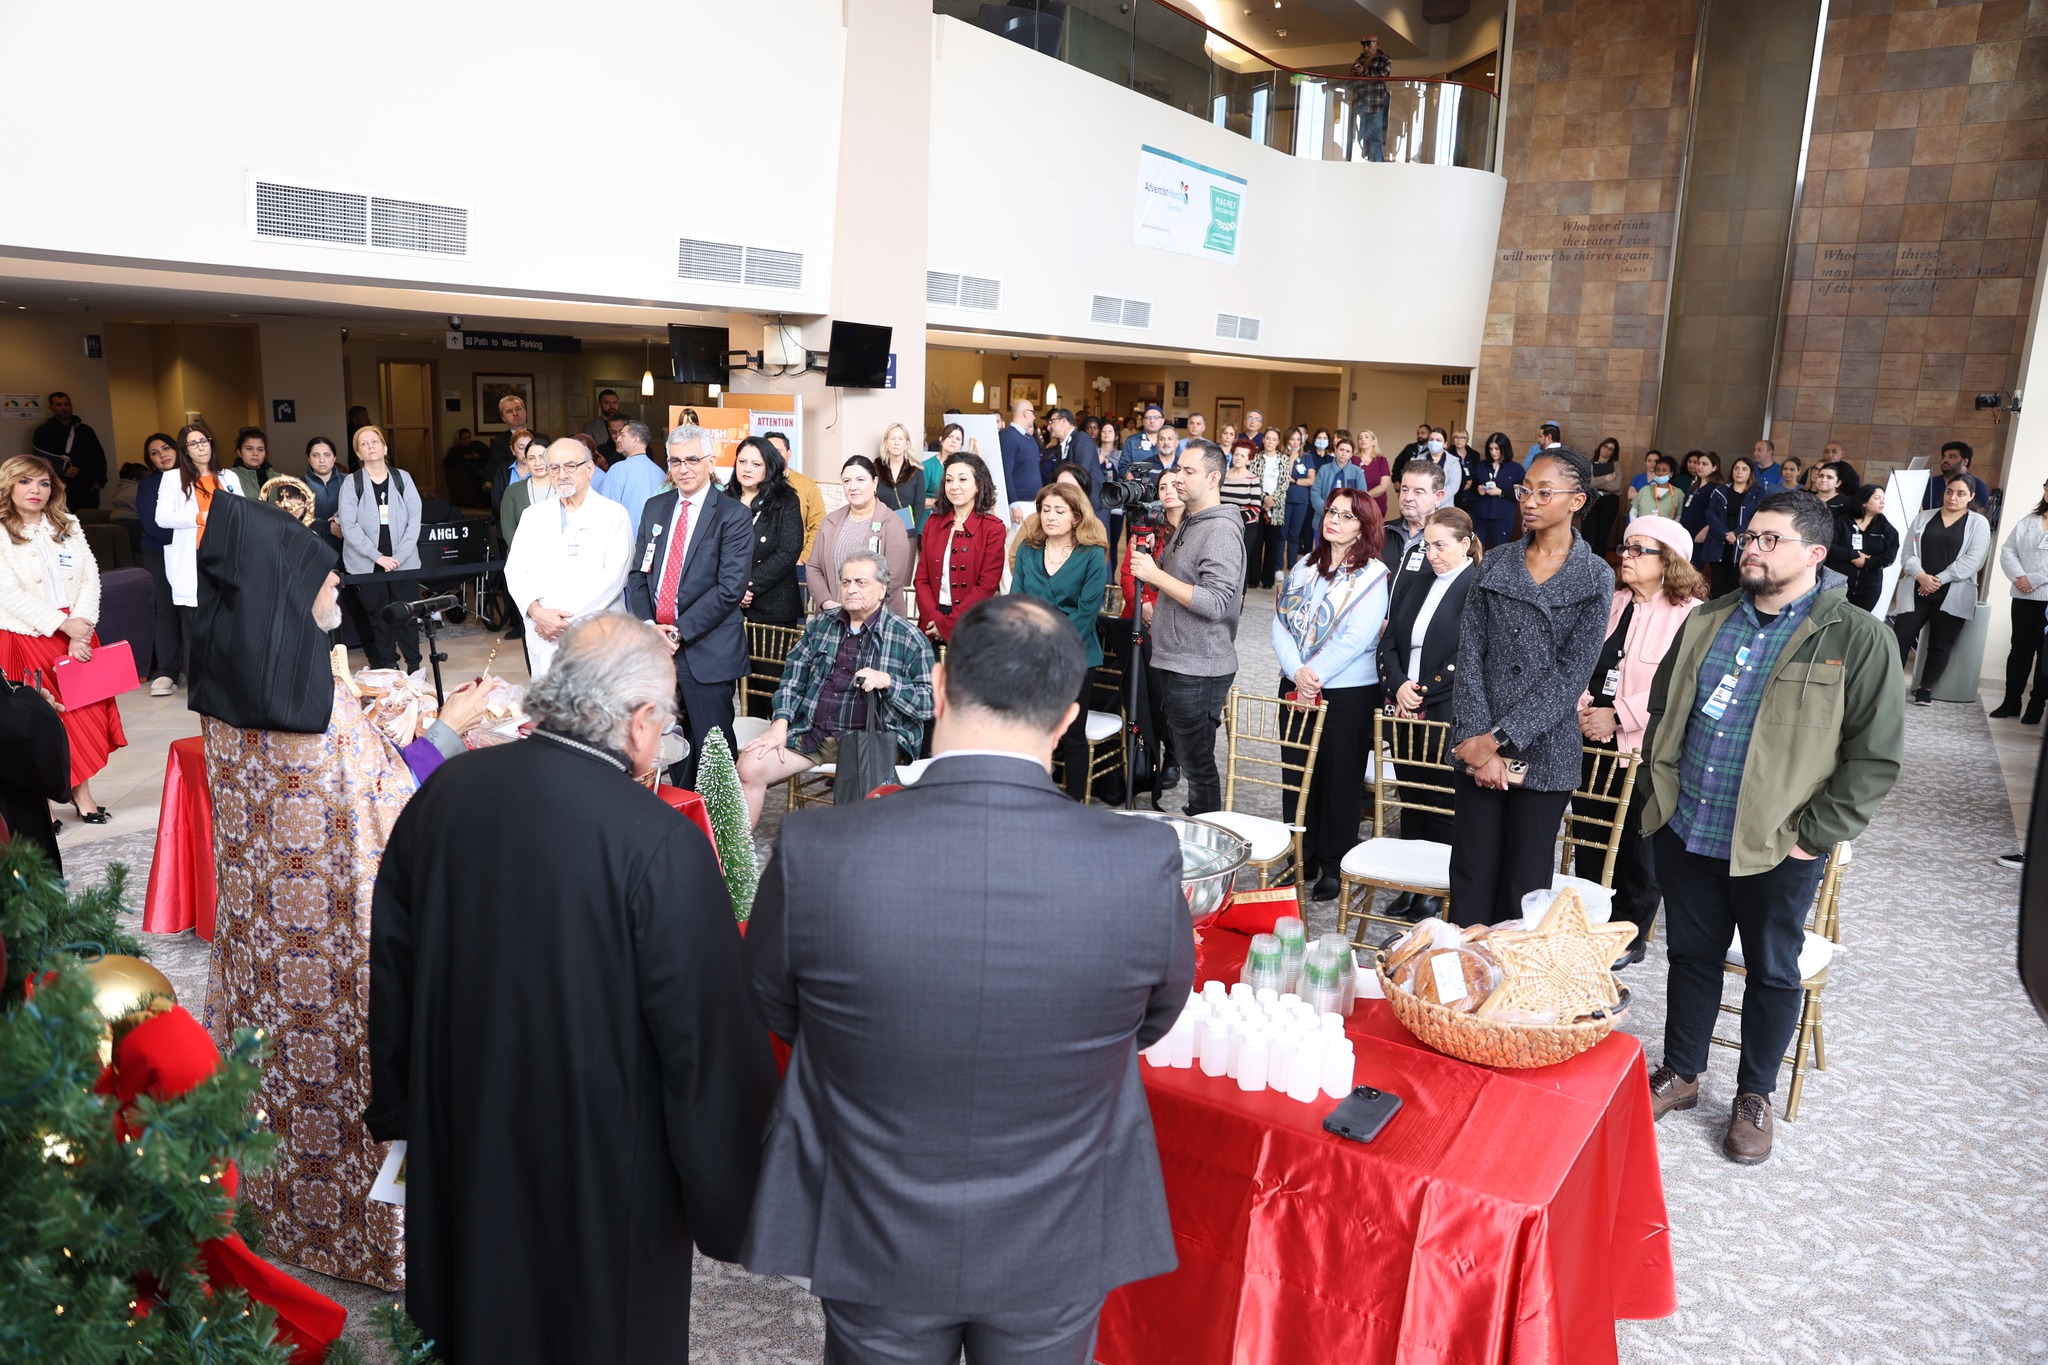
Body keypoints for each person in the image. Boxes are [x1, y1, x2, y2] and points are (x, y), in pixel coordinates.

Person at [741, 594, 1192, 1365]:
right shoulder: (1138, 859)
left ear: (940, 684)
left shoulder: (820, 845)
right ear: (1067, 719)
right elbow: (1152, 1017)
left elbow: (779, 1006)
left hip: (874, 1213)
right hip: (1054, 1223)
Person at [369, 612, 773, 1361]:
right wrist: (728, 1200)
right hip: (603, 1168)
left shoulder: (447, 792)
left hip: (461, 1123)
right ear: (643, 721)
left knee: (471, 1316)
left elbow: (391, 957)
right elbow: (706, 1040)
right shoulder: (657, 839)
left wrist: (402, 1103)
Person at [193, 492, 500, 1290]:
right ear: (290, 586)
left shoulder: (228, 685)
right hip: (340, 948)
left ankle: (273, 1213)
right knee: (350, 1080)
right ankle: (368, 1240)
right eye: (327, 581)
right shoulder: (321, 708)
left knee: (278, 1088)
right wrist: (450, 727)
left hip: (263, 945)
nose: (339, 592)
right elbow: (391, 808)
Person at [1642, 490, 1904, 1163]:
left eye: (1768, 539)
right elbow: (1666, 706)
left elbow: (1873, 758)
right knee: (1691, 956)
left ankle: (1753, 1096)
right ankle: (1682, 1071)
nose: (1749, 548)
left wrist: (1814, 837)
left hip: (1778, 846)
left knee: (1772, 971)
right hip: (1691, 826)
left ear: (1815, 553)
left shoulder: (1859, 638)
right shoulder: (1709, 617)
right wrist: (1660, 797)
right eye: (1748, 537)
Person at [1448, 447, 1614, 926]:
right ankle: (1464, 983)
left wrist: (1498, 739)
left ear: (1577, 501)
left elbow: (1571, 675)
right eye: (1526, 491)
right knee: (1472, 873)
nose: (1530, 501)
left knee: (1525, 886)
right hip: (1475, 742)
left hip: (1546, 750)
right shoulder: (1497, 562)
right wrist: (1478, 744)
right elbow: (1470, 654)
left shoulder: (1595, 575)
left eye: (1545, 492)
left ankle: (1512, 992)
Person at [1570, 516, 1704, 966]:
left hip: (1645, 749)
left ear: (1668, 561)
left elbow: (1683, 684)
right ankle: (1589, 920)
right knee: (1589, 831)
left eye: (1637, 549)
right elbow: (1583, 660)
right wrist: (1586, 708)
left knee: (1636, 845)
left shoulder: (1690, 615)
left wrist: (1619, 716)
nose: (1624, 556)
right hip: (1592, 740)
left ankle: (1629, 931)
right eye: (1625, 547)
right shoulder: (1612, 602)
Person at [736, 550, 934, 826]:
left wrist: (888, 682)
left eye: (860, 582)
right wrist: (780, 724)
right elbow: (793, 677)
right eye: (845, 582)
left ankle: (854, 861)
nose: (851, 589)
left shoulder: (909, 638)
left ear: (883, 589)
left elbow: (929, 704)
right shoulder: (822, 625)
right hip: (813, 733)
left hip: (870, 741)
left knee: (858, 812)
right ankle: (734, 864)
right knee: (749, 765)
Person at [1272, 487, 1391, 900]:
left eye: (1345, 515)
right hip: (1296, 685)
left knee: (1340, 779)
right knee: (1297, 773)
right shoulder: (1306, 564)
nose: (1332, 520)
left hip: (1348, 692)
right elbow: (1280, 624)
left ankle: (1333, 863)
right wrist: (1297, 672)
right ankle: (1299, 854)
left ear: (1363, 527)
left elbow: (1358, 637)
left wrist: (1312, 675)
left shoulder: (1373, 574)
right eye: (1330, 512)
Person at [0, 454, 127, 823]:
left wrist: (82, 625)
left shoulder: (67, 522)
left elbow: (90, 575)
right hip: (26, 636)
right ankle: (41, 804)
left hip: (78, 635)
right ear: (9, 485)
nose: (35, 490)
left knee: (81, 719)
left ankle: (82, 796)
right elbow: (6, 592)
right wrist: (62, 625)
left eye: (43, 483)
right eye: (25, 482)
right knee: (37, 723)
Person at [623, 423, 751, 789]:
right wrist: (650, 626)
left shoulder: (732, 515)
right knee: (669, 747)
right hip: (657, 651)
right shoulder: (656, 507)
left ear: (711, 462)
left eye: (693, 459)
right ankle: (680, 822)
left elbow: (729, 589)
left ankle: (716, 835)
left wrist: (676, 633)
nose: (684, 468)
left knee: (713, 753)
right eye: (676, 461)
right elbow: (638, 575)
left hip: (707, 651)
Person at [1129, 440, 1245, 817]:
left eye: (1188, 471)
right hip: (1179, 658)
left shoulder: (1221, 531)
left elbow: (1216, 602)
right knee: (1188, 755)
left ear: (1213, 478)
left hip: (1200, 664)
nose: (1177, 477)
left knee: (1198, 766)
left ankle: (1210, 841)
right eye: (1178, 469)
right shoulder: (1190, 523)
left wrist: (1156, 576)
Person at [1377, 507, 1480, 897]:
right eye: (1427, 545)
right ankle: (1411, 885)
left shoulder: (1476, 587)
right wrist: (1400, 685)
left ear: (1465, 545)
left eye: (1441, 545)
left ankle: (1435, 892)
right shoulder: (1415, 583)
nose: (1432, 553)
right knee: (1411, 798)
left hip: (1443, 709)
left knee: (1441, 803)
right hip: (1405, 706)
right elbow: (1388, 643)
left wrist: (1420, 690)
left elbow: (1469, 654)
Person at [1010, 481, 1111, 799]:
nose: (1049, 516)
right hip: (1031, 654)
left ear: (1077, 517)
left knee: (1071, 736)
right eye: (1044, 510)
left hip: (1076, 656)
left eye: (1059, 511)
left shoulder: (1093, 555)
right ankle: (1029, 801)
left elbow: (1086, 614)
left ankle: (1074, 809)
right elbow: (1017, 602)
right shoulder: (1028, 549)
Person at [505, 437, 635, 680]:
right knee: (551, 710)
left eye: (570, 466)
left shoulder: (613, 514)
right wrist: (537, 613)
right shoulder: (533, 515)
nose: (562, 474)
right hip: (542, 631)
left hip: (593, 635)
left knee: (595, 711)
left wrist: (560, 621)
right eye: (554, 467)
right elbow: (514, 570)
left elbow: (613, 579)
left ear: (589, 469)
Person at [1891, 472, 1991, 706]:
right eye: (1949, 491)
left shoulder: (1978, 523)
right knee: (1900, 636)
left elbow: (1974, 560)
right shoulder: (1924, 517)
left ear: (1971, 496)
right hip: (1918, 588)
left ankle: (1925, 688)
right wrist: (1921, 576)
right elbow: (1907, 553)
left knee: (1941, 643)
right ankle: (1892, 684)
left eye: (1960, 493)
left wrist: (1938, 580)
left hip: (1952, 592)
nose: (1953, 497)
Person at [336, 425, 424, 672]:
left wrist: (398, 556)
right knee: (379, 617)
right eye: (363, 444)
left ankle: (415, 667)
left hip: (402, 561)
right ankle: (388, 668)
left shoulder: (402, 478)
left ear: (384, 447)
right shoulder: (351, 483)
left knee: (407, 614)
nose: (370, 446)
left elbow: (414, 518)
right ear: (358, 453)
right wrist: (378, 557)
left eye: (375, 441)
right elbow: (349, 526)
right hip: (367, 563)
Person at [153, 421, 249, 639]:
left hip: (227, 556)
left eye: (204, 441)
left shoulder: (228, 476)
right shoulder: (172, 478)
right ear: (185, 450)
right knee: (197, 625)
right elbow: (162, 518)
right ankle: (198, 673)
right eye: (193, 444)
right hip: (195, 557)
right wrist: (200, 517)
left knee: (228, 620)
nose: (201, 447)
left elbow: (243, 512)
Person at [914, 451, 1006, 644]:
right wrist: (936, 621)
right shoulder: (932, 523)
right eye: (949, 480)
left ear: (978, 485)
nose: (954, 486)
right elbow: (921, 578)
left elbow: (987, 586)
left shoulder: (993, 528)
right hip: (930, 625)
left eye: (962, 479)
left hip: (970, 625)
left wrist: (947, 625)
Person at [807, 456, 914, 614]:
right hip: (832, 617)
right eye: (847, 481)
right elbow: (814, 567)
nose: (853, 487)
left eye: (860, 480)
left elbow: (892, 577)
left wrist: (856, 612)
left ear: (875, 483)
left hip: (876, 621)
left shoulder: (893, 523)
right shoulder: (830, 521)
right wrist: (826, 602)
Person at [729, 435, 805, 625]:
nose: (747, 469)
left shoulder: (786, 501)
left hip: (773, 608)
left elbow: (788, 552)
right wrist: (732, 588)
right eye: (742, 461)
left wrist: (747, 587)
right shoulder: (723, 499)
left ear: (768, 467)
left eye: (756, 464)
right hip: (727, 604)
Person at [136, 433, 186, 696]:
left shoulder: (193, 477)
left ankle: (196, 669)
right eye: (154, 452)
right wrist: (188, 535)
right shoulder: (148, 484)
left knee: (192, 610)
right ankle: (167, 671)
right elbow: (154, 524)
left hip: (192, 551)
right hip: (159, 549)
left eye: (166, 448)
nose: (162, 455)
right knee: (166, 609)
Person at [1994, 479, 2048, 721]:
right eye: (2047, 486)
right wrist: (2019, 578)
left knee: (2044, 655)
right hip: (2023, 597)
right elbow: (2007, 550)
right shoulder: (2029, 521)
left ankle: (2036, 705)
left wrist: (2033, 579)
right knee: (2019, 651)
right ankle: (2011, 702)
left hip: (2045, 599)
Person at [1828, 481, 1897, 614]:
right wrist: (1852, 555)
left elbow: (1889, 557)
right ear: (1863, 502)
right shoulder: (1842, 523)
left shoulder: (1887, 529)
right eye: (1877, 498)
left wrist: (1866, 562)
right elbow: (1829, 548)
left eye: (1884, 499)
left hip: (1869, 587)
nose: (1882, 502)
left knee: (1858, 624)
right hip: (1838, 584)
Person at [31, 391, 108, 511]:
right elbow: (39, 460)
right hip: (58, 488)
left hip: (87, 488)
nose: (63, 408)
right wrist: (62, 470)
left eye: (66, 404)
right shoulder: (43, 431)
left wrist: (99, 481)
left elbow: (98, 456)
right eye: (59, 405)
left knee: (89, 524)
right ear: (51, 408)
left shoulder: (85, 431)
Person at [761, 430, 826, 562]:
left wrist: (803, 558)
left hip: (795, 563)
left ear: (789, 454)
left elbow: (819, 525)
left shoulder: (807, 484)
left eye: (778, 451)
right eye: (768, 452)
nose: (773, 456)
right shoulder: (756, 483)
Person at [1381, 460, 1442, 595]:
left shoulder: (1448, 542)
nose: (1408, 498)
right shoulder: (1381, 532)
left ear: (1438, 496)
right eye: (1404, 489)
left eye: (1418, 492)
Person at [598, 420, 668, 534]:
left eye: (623, 435)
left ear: (636, 439)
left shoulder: (618, 469)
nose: (618, 439)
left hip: (625, 541)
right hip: (652, 541)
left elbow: (606, 511)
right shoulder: (661, 473)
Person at [486, 392, 548, 514]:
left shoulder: (542, 438)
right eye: (509, 411)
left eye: (518, 409)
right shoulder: (498, 442)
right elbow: (501, 471)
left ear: (525, 412)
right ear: (503, 418)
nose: (515, 413)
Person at [1463, 431, 1523, 549]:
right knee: (1477, 547)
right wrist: (1478, 489)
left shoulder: (1516, 469)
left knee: (1499, 548)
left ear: (1505, 449)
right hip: (1480, 514)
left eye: (1497, 449)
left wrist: (1500, 492)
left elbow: (1520, 494)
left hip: (1502, 516)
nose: (1493, 452)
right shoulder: (1482, 465)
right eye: (1491, 449)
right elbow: (1473, 487)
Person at [1715, 456, 1764, 597]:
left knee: (1735, 583)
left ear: (1750, 473)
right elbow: (1711, 514)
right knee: (1717, 582)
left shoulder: (1757, 492)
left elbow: (1757, 516)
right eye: (1736, 468)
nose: (1739, 472)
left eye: (1744, 469)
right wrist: (1726, 534)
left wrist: (1736, 534)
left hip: (1742, 541)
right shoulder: (1721, 490)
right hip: (1720, 541)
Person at [1045, 408, 1104, 523]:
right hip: (1076, 503)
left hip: (1092, 504)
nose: (1049, 427)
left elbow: (1081, 472)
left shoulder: (1081, 438)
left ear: (1063, 421)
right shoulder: (1062, 445)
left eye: (1052, 421)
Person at [1680, 451, 1732, 578]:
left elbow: (1717, 513)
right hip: (1687, 530)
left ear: (1714, 468)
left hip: (1701, 531)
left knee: (1695, 567)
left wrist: (1706, 530)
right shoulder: (1694, 486)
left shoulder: (1717, 488)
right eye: (1699, 463)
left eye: (1705, 464)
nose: (1700, 466)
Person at [1222, 441, 1265, 588]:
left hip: (1246, 528)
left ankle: (1239, 599)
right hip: (1223, 525)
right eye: (1236, 454)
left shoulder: (1253, 479)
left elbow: (1255, 508)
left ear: (1249, 459)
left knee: (1240, 564)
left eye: (1243, 455)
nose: (1238, 458)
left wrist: (1235, 520)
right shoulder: (1223, 476)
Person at [875, 422, 930, 536]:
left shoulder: (916, 471)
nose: (896, 443)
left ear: (906, 444)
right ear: (885, 443)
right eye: (892, 438)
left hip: (906, 529)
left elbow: (919, 504)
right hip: (879, 528)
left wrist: (912, 530)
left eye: (901, 439)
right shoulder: (876, 469)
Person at [496, 430, 547, 547]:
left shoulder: (561, 489)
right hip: (521, 555)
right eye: (531, 458)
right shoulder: (512, 491)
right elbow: (509, 529)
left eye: (542, 457)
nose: (537, 463)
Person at [1349, 34, 1394, 160]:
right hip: (1360, 103)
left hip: (1375, 103)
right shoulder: (1359, 61)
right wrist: (1356, 75)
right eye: (1363, 44)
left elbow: (1383, 76)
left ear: (1377, 44)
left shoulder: (1384, 59)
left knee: (1375, 137)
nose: (1365, 47)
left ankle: (1376, 168)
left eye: (1369, 43)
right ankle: (1362, 163)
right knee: (1359, 138)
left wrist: (1364, 73)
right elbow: (1349, 82)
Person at [999, 398, 1043, 526]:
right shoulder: (1008, 437)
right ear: (1025, 413)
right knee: (1015, 544)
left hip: (1033, 502)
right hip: (1019, 504)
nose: (1034, 417)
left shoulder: (1029, 439)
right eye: (1033, 413)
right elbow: (1005, 473)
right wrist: (1014, 504)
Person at [303, 436, 345, 554]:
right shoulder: (299, 484)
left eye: (327, 455)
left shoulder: (348, 481)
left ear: (334, 457)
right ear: (308, 458)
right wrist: (327, 527)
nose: (322, 460)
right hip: (313, 549)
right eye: (315, 455)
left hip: (347, 549)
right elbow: (295, 518)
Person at [1923, 440, 1991, 511]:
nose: (1945, 460)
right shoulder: (1930, 483)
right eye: (1944, 457)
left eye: (1951, 457)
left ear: (1965, 462)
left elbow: (1978, 516)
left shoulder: (1978, 486)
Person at [1632, 452, 1683, 522]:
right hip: (1642, 530)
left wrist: (1670, 527)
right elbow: (1633, 510)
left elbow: (1679, 516)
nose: (1660, 473)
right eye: (1658, 470)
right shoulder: (1644, 490)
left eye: (1664, 470)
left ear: (1671, 473)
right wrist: (1635, 523)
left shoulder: (1678, 493)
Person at [228, 427, 274, 495]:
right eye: (249, 449)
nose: (255, 453)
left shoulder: (277, 478)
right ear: (239, 452)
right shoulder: (229, 477)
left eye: (260, 449)